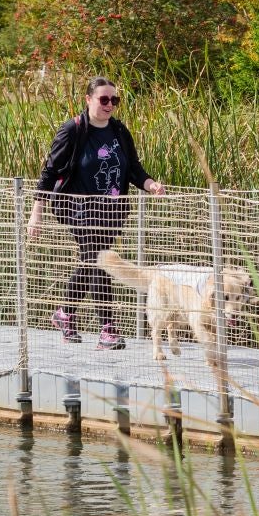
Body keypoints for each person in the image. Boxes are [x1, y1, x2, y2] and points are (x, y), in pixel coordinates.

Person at [28, 77, 164, 350]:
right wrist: (36, 213)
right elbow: (49, 172)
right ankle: (108, 329)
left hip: (112, 210)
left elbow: (133, 168)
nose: (109, 105)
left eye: (114, 100)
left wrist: (150, 185)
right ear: (88, 99)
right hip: (78, 207)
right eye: (104, 99)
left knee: (93, 260)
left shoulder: (119, 131)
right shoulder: (73, 130)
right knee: (100, 258)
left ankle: (65, 313)